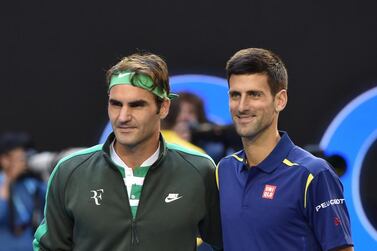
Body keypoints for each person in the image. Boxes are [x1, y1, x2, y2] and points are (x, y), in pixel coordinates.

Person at [33, 52, 223, 251]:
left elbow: (227, 242)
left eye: (136, 105)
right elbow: (49, 247)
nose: (123, 117)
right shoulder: (70, 171)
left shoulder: (199, 170)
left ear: (164, 107)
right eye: (116, 104)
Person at [217, 48, 353, 251]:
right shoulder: (224, 170)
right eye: (235, 95)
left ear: (280, 100)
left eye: (254, 95)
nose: (242, 106)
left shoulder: (313, 174)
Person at [0, 132, 45, 251]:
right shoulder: (2, 183)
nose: (23, 162)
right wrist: (8, 179)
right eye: (19, 158)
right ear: (4, 160)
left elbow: (52, 205)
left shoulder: (31, 185)